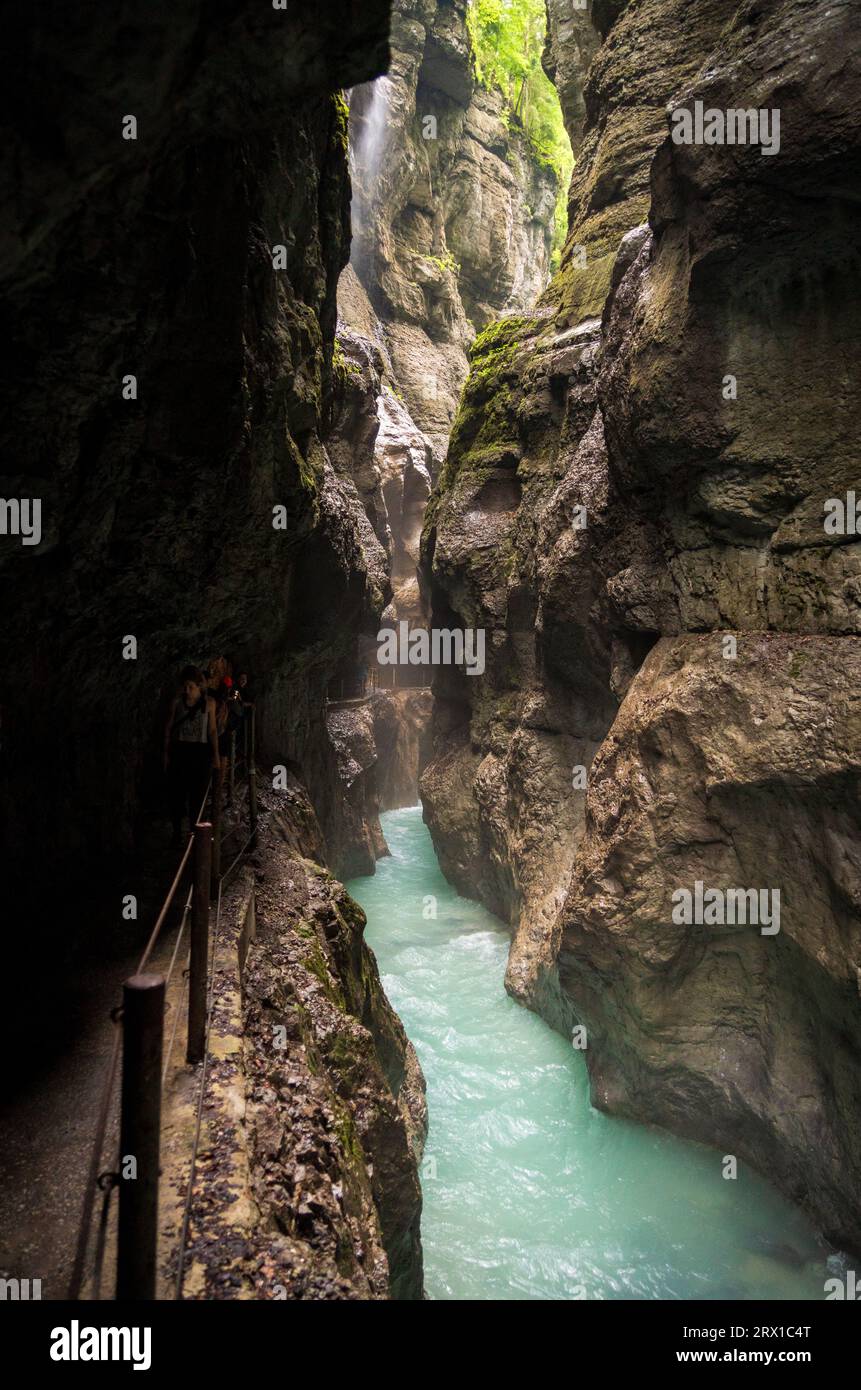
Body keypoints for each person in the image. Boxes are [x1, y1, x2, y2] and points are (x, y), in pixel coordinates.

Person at [164, 666, 220, 847]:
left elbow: (212, 731)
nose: (187, 691)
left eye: (191, 687)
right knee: (177, 793)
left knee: (198, 795)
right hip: (180, 751)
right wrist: (165, 753)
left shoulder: (209, 703)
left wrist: (216, 756)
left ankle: (194, 834)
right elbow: (168, 728)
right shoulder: (177, 702)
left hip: (200, 753)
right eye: (185, 687)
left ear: (199, 687)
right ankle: (177, 832)